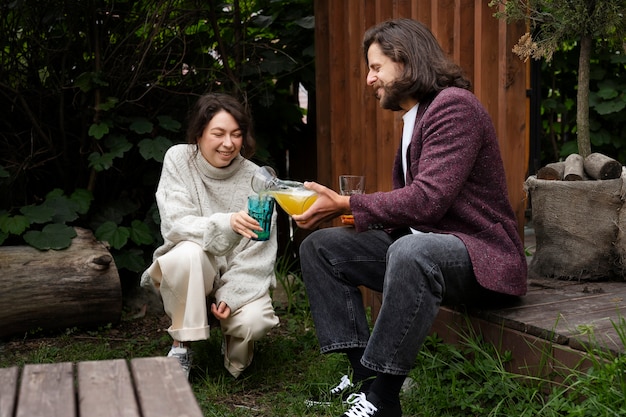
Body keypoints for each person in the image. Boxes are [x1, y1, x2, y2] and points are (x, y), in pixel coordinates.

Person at [292, 18, 527, 417]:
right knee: (321, 248)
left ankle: (383, 399)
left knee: (411, 250)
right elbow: (416, 207)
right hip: (428, 244)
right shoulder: (414, 117)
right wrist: (355, 215)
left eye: (376, 67)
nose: (369, 79)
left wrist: (348, 205)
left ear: (406, 61)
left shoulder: (455, 106)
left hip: (481, 255)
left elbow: (428, 200)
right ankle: (364, 384)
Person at [141, 93, 280, 379]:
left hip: (236, 273)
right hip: (192, 269)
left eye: (236, 135)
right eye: (218, 133)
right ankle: (182, 346)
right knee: (188, 253)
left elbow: (259, 253)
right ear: (200, 133)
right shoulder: (179, 159)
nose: (228, 143)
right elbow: (177, 224)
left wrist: (231, 293)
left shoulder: (257, 179)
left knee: (255, 321)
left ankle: (232, 346)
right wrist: (227, 223)